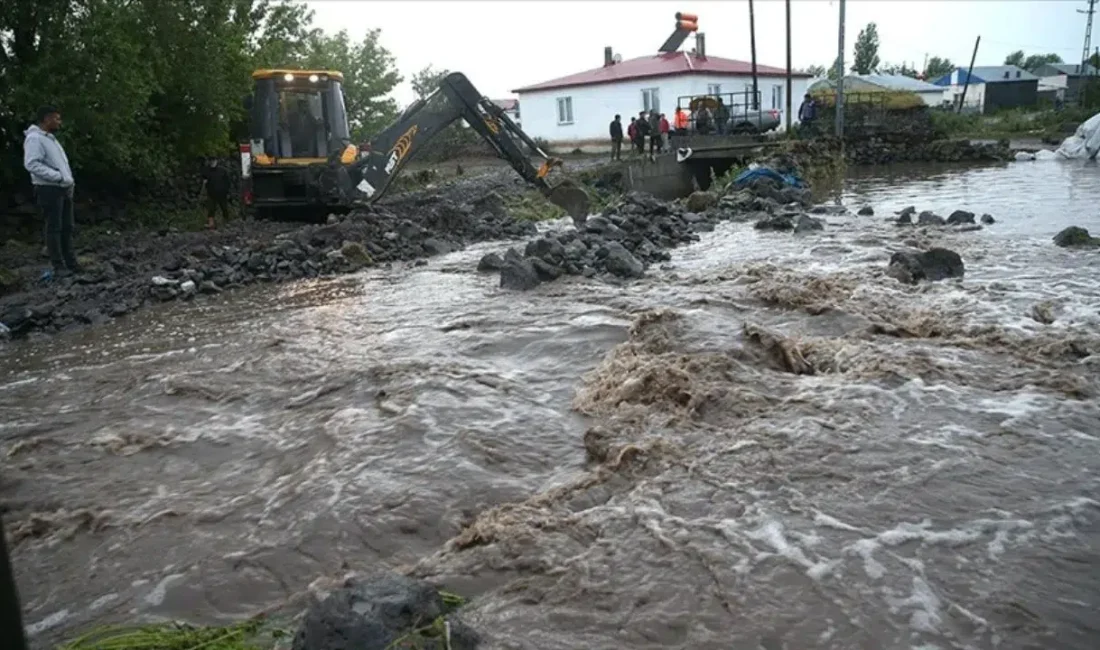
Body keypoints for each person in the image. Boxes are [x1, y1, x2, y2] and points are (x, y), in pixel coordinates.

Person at [23, 105, 80, 277]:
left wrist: (67, 181)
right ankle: (59, 266)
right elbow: (32, 164)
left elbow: (61, 165)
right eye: (56, 118)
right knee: (54, 227)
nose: (59, 122)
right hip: (48, 189)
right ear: (46, 119)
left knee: (67, 227)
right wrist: (57, 177)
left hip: (62, 188)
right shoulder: (35, 139)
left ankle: (71, 263)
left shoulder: (50, 139)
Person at [200, 158, 232, 229]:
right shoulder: (207, 171)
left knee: (224, 208)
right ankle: (211, 224)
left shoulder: (222, 171)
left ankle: (226, 221)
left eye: (213, 160)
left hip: (222, 193)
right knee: (211, 209)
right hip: (211, 193)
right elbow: (204, 180)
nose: (212, 162)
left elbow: (227, 182)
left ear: (216, 161)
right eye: (211, 160)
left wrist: (227, 191)